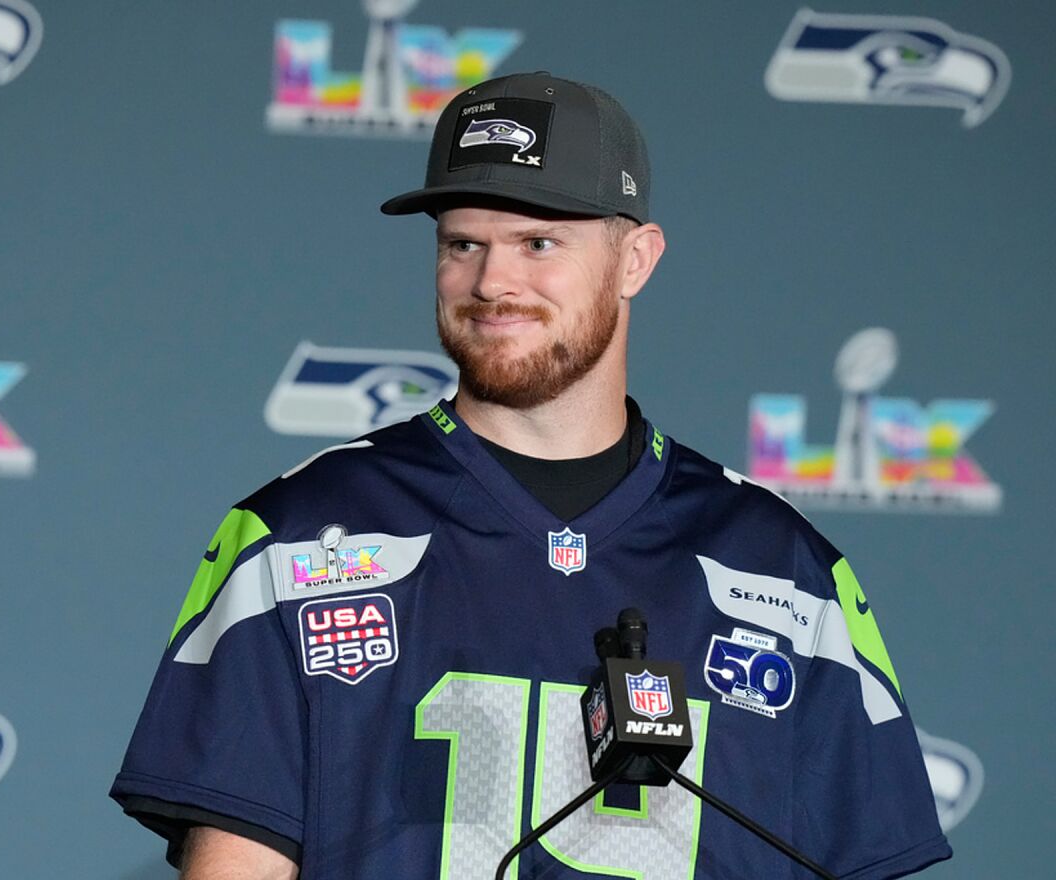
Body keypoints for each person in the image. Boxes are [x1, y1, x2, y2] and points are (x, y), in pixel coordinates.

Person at [111, 72, 950, 879]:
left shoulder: (786, 569)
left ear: (636, 260)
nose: (491, 282)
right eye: (462, 244)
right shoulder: (296, 536)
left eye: (538, 242)